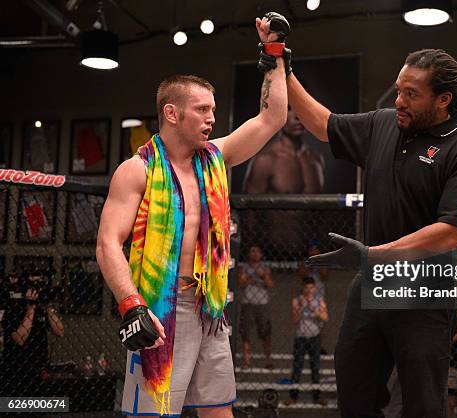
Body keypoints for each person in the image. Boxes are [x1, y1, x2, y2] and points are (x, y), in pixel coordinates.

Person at [96, 14, 289, 418]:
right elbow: (107, 243)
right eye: (202, 110)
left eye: (213, 110)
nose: (212, 118)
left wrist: (274, 55)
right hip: (161, 311)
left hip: (210, 309)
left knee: (219, 411)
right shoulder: (138, 170)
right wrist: (132, 305)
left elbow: (272, 118)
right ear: (171, 113)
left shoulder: (215, 158)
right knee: (154, 413)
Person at [289, 48, 457, 417]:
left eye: (412, 94)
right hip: (371, 287)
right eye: (398, 90)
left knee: (421, 404)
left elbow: (451, 233)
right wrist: (281, 67)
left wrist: (371, 255)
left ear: (443, 99)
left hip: (426, 293)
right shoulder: (383, 123)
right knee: (355, 394)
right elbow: (322, 124)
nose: (399, 101)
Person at [0, 270, 64, 397]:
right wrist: (31, 307)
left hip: (38, 369)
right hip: (16, 371)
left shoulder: (43, 309)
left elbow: (60, 331)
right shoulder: (13, 308)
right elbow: (19, 339)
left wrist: (47, 307)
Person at [243, 107, 324, 194]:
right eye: (289, 108)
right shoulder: (265, 161)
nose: (297, 116)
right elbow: (249, 206)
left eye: (299, 106)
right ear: (278, 113)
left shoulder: (315, 158)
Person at [285, 276, 329, 406]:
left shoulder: (320, 301)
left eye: (311, 287)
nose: (309, 290)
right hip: (301, 337)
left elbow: (325, 318)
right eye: (306, 288)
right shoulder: (297, 300)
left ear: (315, 288)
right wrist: (302, 307)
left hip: (314, 337)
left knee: (315, 367)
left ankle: (317, 396)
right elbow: (294, 319)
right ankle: (293, 396)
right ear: (303, 288)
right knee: (297, 367)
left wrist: (316, 313)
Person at [238, 245, 274, 369]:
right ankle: (246, 361)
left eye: (257, 251)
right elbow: (241, 283)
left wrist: (262, 276)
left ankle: (268, 360)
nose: (254, 254)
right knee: (246, 333)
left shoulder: (265, 267)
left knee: (265, 333)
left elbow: (270, 284)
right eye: (252, 251)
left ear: (261, 254)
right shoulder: (244, 267)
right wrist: (249, 277)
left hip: (262, 303)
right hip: (248, 303)